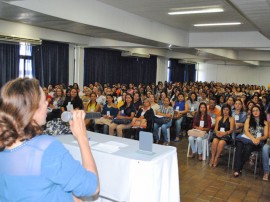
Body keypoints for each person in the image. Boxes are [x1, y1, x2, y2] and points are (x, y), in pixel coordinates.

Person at [0, 78, 99, 201]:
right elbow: (92, 187)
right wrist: (82, 137)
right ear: (31, 109)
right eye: (43, 101)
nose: (47, 103)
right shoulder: (45, 147)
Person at [234, 105, 269, 177]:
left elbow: (266, 135)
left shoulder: (265, 122)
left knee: (248, 147)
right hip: (246, 138)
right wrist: (253, 138)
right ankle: (238, 169)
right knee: (239, 146)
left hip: (257, 141)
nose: (255, 112)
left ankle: (238, 168)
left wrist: (258, 139)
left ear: (260, 111)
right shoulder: (248, 120)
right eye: (253, 111)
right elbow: (246, 131)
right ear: (252, 112)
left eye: (257, 110)